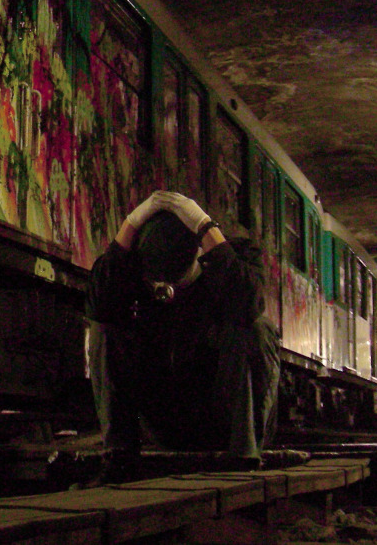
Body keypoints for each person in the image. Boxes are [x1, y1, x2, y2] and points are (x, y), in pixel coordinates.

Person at [85, 191, 280, 482]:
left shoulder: (236, 257)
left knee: (256, 327)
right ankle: (119, 457)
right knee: (104, 325)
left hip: (222, 422)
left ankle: (243, 460)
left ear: (199, 253)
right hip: (164, 419)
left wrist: (204, 225)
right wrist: (132, 222)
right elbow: (98, 306)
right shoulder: (132, 263)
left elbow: (250, 304)